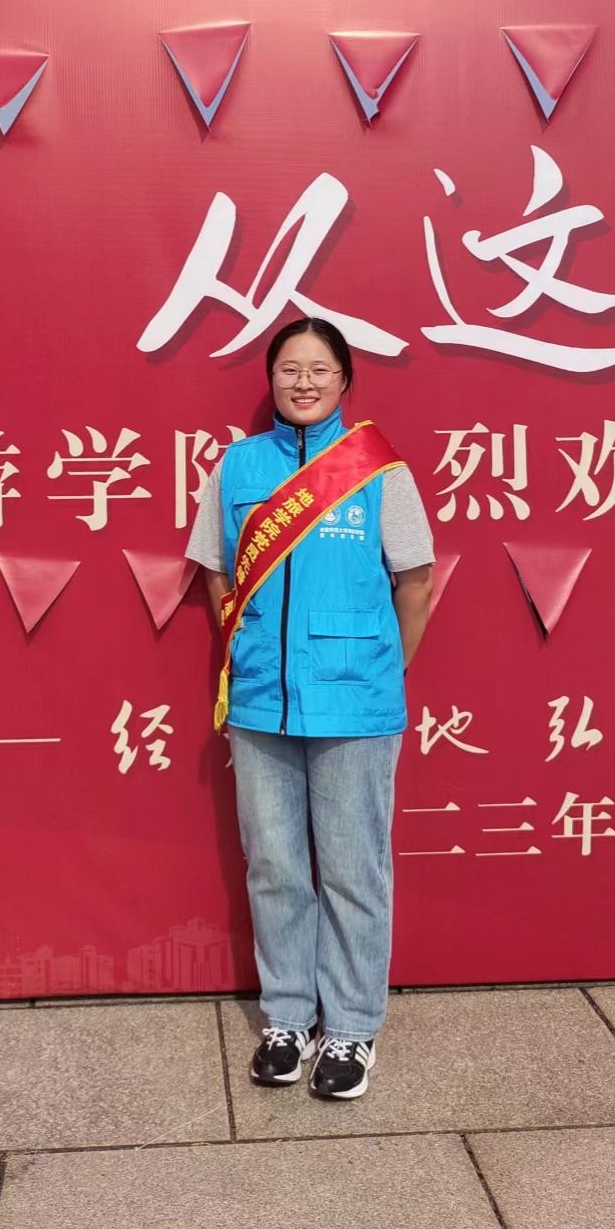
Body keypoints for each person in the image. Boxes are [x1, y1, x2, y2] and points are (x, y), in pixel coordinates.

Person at [185, 316, 435, 1100]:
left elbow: (416, 582)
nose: (303, 382)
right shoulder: (237, 466)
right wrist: (249, 647)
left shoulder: (378, 469)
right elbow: (217, 572)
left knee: (355, 869)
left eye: (319, 369)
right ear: (270, 379)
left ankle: (352, 1027)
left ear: (344, 380)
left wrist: (382, 668)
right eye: (289, 368)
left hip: (356, 702)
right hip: (261, 700)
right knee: (276, 865)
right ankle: (288, 1017)